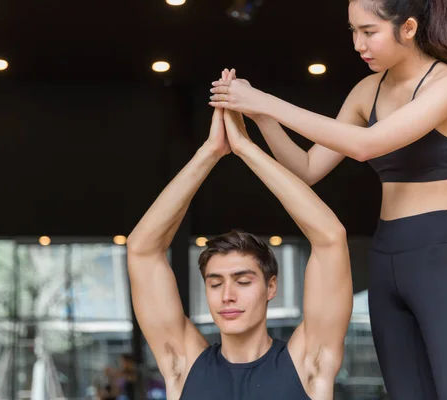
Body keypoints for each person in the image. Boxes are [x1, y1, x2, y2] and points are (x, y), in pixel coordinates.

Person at [208, 0, 447, 398]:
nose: (359, 43)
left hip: (439, 253)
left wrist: (266, 102)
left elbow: (366, 145)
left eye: (369, 31)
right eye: (353, 32)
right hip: (386, 253)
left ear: (408, 28)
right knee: (405, 392)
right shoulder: (366, 91)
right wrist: (259, 116)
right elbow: (307, 168)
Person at [126, 71, 353, 399]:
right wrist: (211, 151)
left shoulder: (308, 363)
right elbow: (141, 249)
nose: (227, 295)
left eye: (243, 281)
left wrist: (246, 148)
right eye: (215, 283)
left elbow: (330, 237)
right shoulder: (184, 366)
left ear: (270, 286)